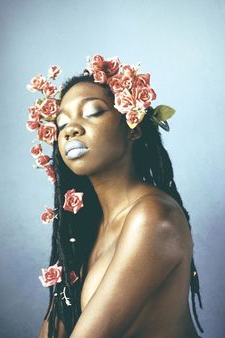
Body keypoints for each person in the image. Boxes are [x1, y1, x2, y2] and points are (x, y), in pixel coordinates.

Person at [30, 55, 203, 338]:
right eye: (62, 124)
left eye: (94, 112)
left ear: (133, 127)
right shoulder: (85, 227)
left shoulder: (153, 218)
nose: (71, 129)